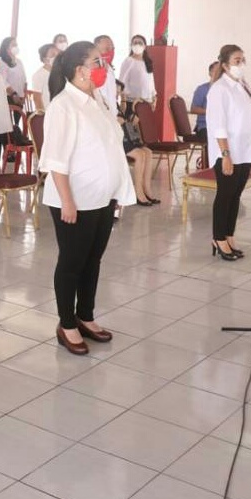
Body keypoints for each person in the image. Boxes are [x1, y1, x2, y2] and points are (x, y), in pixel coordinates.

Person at [40, 41, 135, 355]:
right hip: (75, 200)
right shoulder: (63, 106)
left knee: (92, 260)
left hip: (102, 196)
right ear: (80, 70)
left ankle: (86, 316)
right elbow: (55, 160)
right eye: (97, 61)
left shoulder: (98, 100)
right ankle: (67, 323)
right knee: (71, 262)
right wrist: (67, 201)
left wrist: (117, 190)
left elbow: (110, 148)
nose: (103, 66)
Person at [206, 44, 251, 262]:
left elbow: (248, 121)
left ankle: (229, 235)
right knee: (225, 195)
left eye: (243, 60)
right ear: (225, 64)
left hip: (244, 151)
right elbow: (218, 125)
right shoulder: (219, 89)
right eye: (237, 60)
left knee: (235, 196)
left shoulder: (241, 85)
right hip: (228, 152)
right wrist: (226, 155)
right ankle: (218, 238)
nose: (241, 64)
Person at [116, 81, 158, 206]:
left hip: (126, 139)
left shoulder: (116, 104)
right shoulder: (105, 104)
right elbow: (118, 122)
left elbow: (125, 119)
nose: (118, 92)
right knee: (140, 154)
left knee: (148, 152)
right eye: (116, 90)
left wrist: (132, 107)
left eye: (119, 90)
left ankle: (147, 189)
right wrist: (124, 120)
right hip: (117, 142)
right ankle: (138, 192)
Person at [119, 35, 156, 102]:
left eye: (140, 43)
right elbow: (122, 81)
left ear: (144, 46)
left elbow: (151, 81)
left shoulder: (147, 62)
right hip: (132, 101)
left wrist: (154, 95)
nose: (137, 45)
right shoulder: (128, 61)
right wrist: (124, 98)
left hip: (147, 101)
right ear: (131, 46)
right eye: (135, 43)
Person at [190, 62, 218, 141]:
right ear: (210, 73)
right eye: (216, 71)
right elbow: (193, 109)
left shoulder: (227, 90)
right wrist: (211, 111)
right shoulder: (202, 89)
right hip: (205, 126)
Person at [93, 35, 118, 116]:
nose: (111, 52)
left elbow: (112, 98)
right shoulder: (92, 71)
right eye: (107, 49)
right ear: (96, 50)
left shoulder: (110, 69)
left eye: (112, 49)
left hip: (113, 118)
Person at [31, 44, 58, 109]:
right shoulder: (38, 75)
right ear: (45, 59)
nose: (56, 57)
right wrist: (43, 116)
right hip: (48, 113)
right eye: (53, 55)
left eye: (57, 55)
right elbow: (37, 98)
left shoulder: (59, 72)